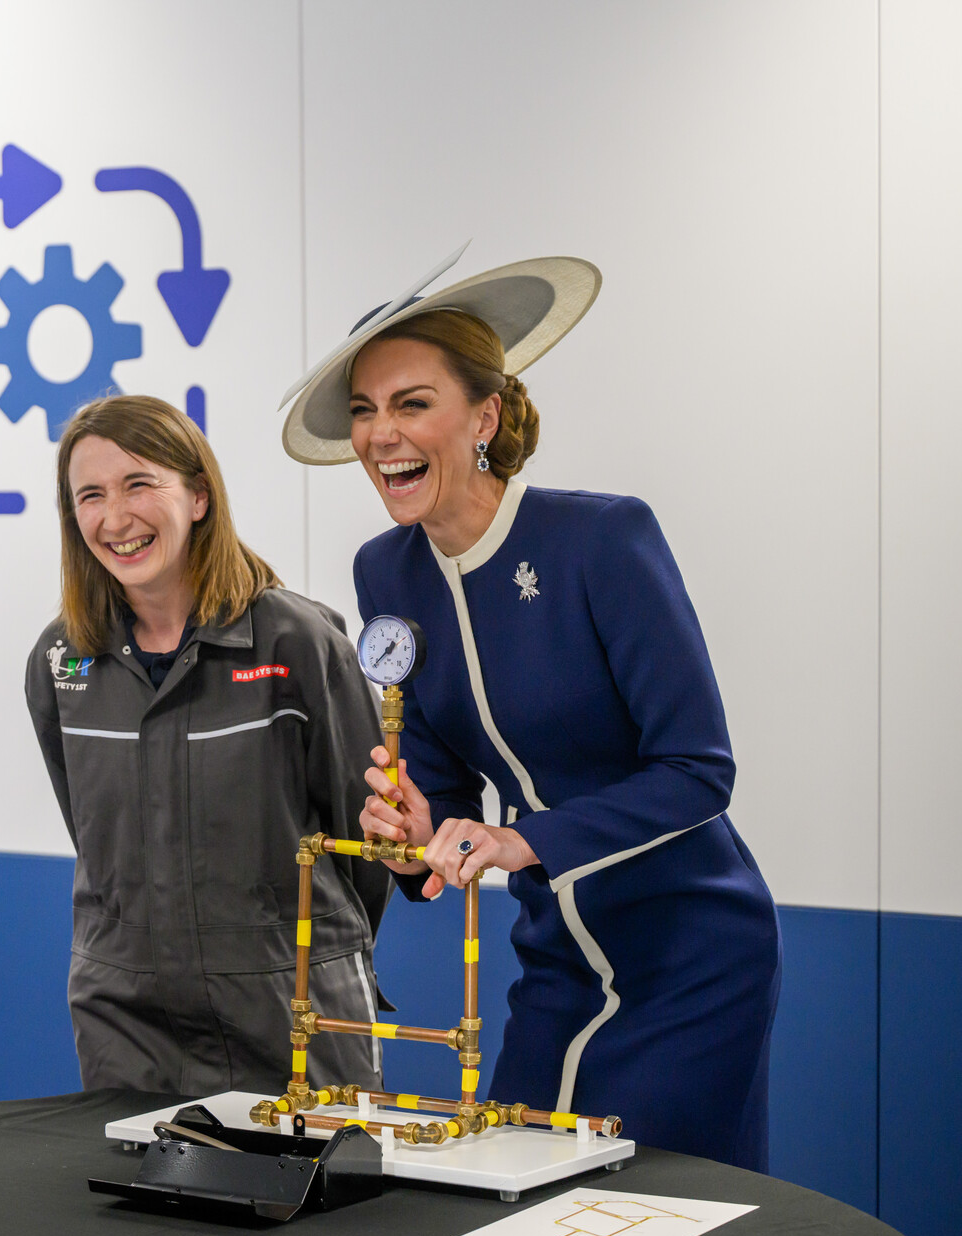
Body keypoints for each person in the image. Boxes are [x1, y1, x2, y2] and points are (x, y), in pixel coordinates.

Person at [278, 252, 781, 1169]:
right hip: (555, 959)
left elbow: (699, 770)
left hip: (693, 953)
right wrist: (414, 821)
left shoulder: (601, 538)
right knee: (509, 1198)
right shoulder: (384, 570)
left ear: (486, 415)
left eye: (412, 403)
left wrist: (524, 840)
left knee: (645, 1229)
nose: (381, 433)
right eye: (363, 409)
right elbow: (437, 772)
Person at [25, 394, 391, 1098]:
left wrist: (284, 949)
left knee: (321, 1207)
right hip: (126, 1019)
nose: (115, 517)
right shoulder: (61, 659)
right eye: (90, 495)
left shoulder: (298, 643)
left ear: (198, 494)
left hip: (293, 1011)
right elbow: (95, 834)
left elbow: (362, 852)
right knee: (143, 1205)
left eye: (139, 483)